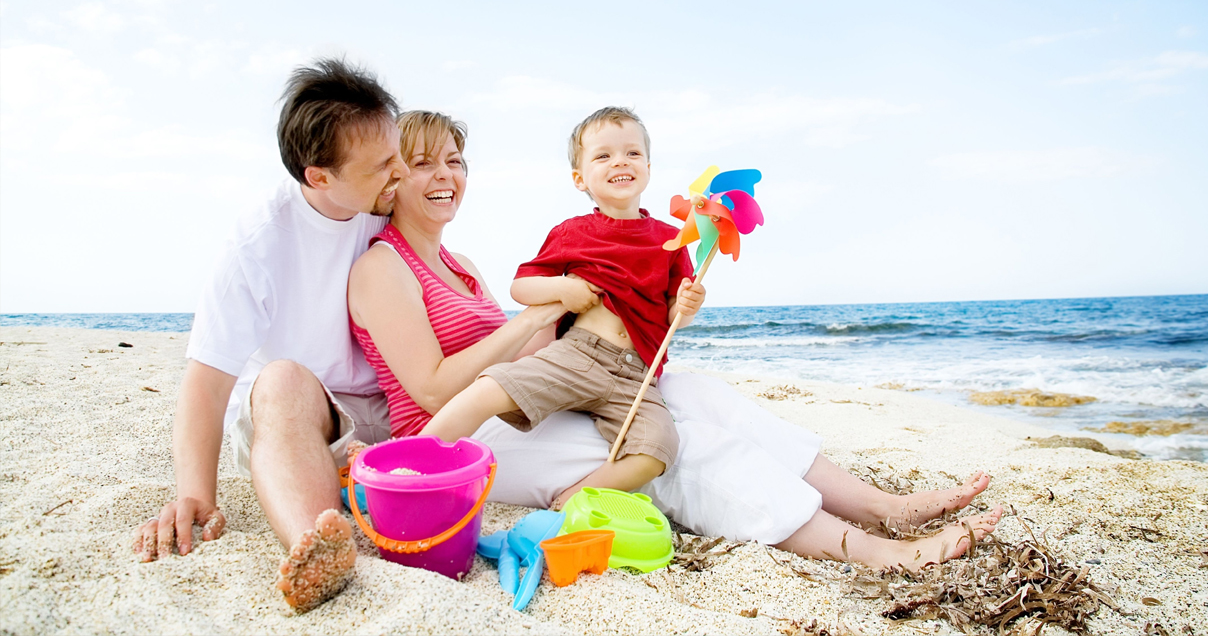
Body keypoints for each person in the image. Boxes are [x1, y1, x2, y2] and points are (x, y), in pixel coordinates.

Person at [349, 108, 1004, 571]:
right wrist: (534, 321)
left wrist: (591, 335)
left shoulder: (460, 266)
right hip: (452, 446)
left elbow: (540, 342)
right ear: (390, 177)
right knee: (687, 447)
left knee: (702, 395)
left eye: (456, 161)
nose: (445, 174)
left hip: (570, 384)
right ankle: (873, 552)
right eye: (422, 162)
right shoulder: (385, 265)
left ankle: (880, 506)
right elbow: (437, 386)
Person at [131, 58, 407, 613]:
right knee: (279, 379)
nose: (401, 172)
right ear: (319, 176)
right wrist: (194, 496)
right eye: (381, 165)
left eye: (398, 152)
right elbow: (207, 382)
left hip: (392, 410)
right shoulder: (260, 238)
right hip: (301, 419)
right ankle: (320, 546)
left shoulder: (388, 204)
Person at [412, 107, 702, 494]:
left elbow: (672, 318)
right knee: (486, 390)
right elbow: (522, 287)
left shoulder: (672, 238)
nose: (620, 161)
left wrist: (687, 306)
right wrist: (563, 290)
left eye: (632, 153)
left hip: (638, 373)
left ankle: (569, 502)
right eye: (603, 155)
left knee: (657, 449)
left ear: (648, 166)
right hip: (577, 356)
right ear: (579, 179)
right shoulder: (573, 232)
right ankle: (407, 464)